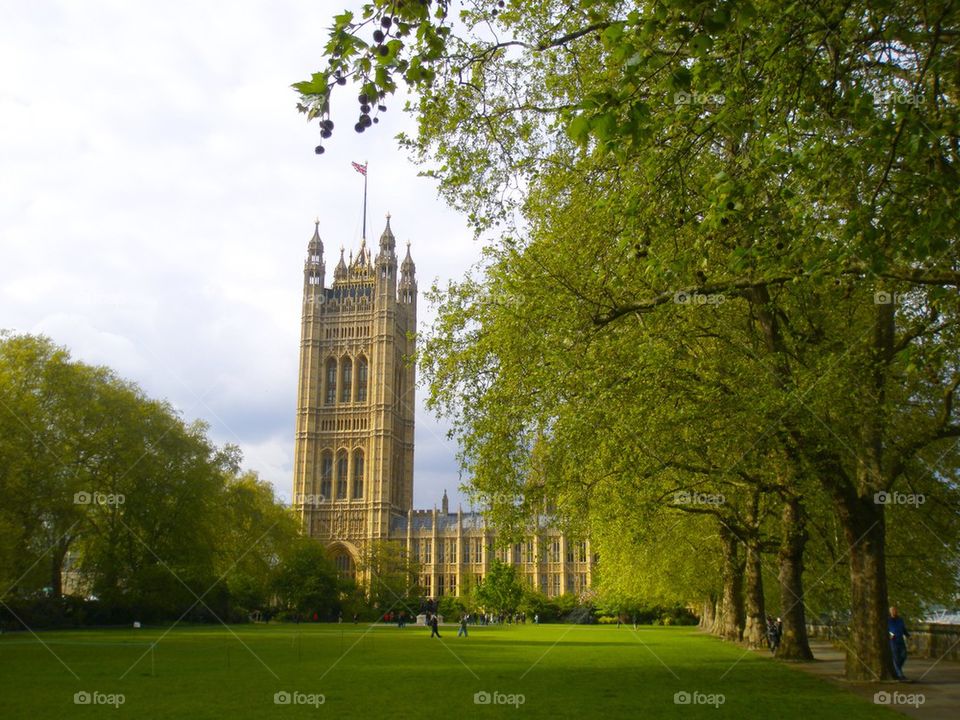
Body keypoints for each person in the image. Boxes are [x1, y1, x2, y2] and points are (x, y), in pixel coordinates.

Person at [888, 606, 910, 680]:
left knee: (904, 655)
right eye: (893, 611)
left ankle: (897, 669)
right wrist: (889, 635)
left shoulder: (900, 620)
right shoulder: (888, 620)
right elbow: (885, 629)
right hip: (893, 641)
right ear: (890, 612)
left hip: (900, 640)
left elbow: (903, 629)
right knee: (896, 657)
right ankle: (900, 674)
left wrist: (908, 636)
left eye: (895, 610)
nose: (894, 612)